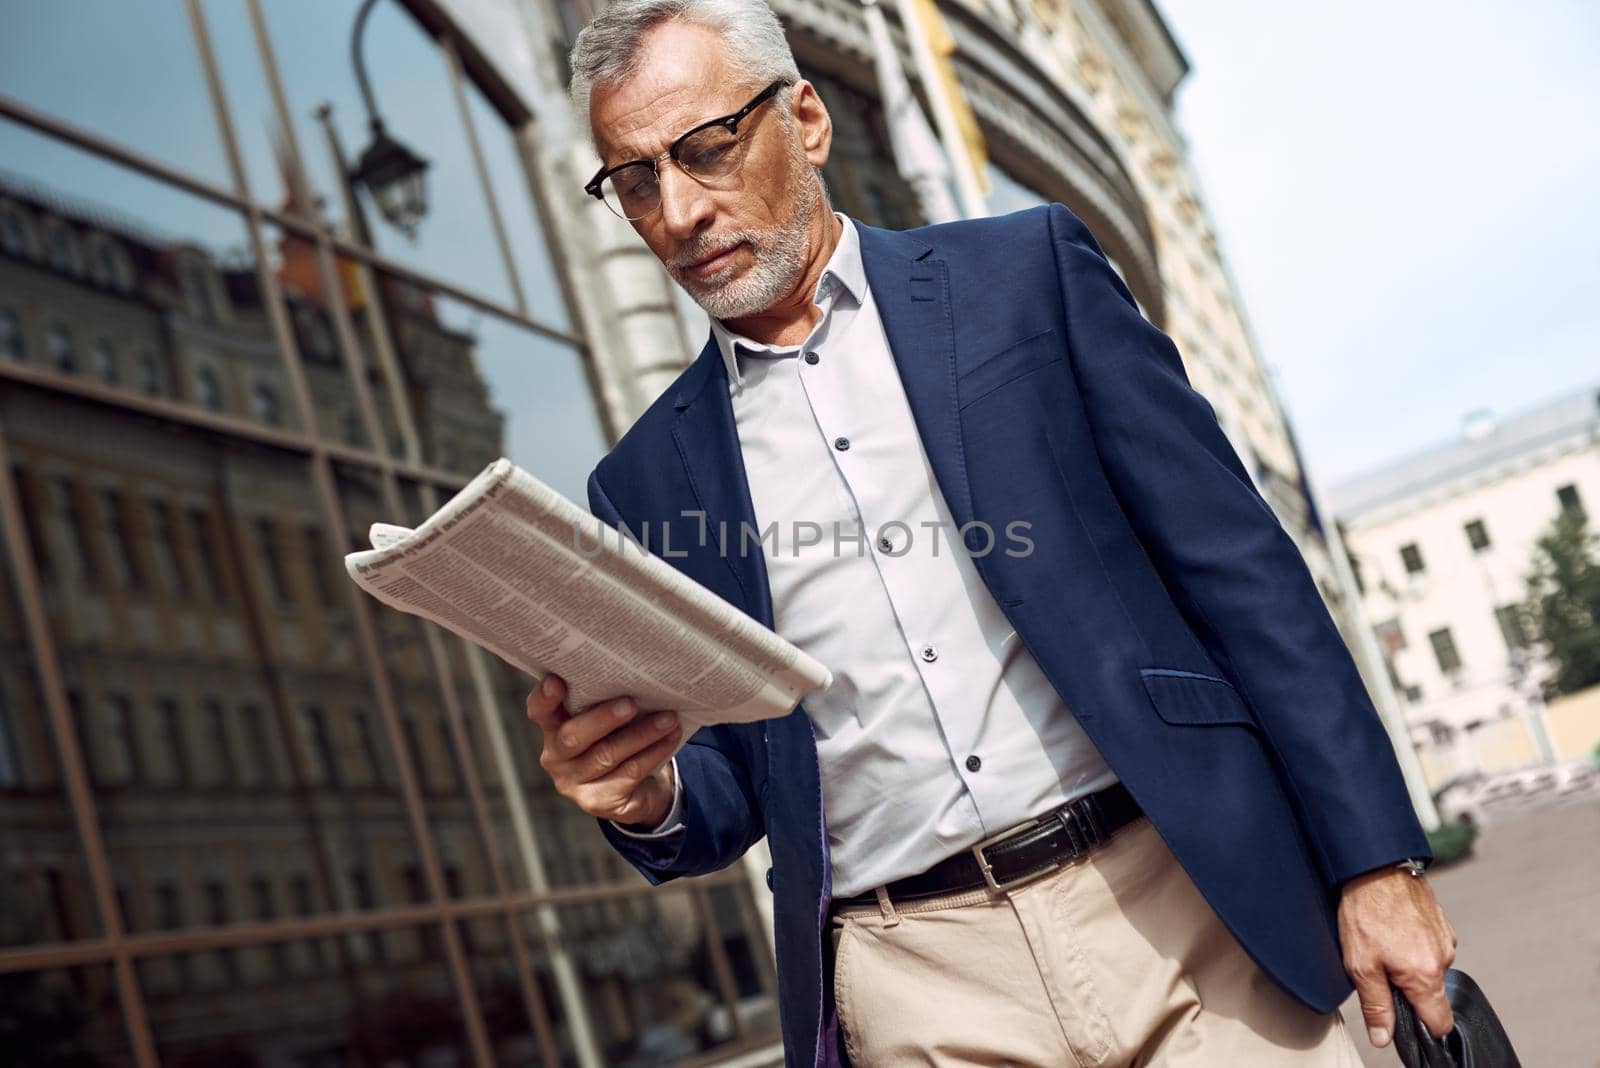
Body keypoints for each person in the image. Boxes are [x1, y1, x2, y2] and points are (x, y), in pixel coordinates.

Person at [526, 1, 1458, 1064]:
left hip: (1175, 910)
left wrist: (1376, 862)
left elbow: (1240, 574)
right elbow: (739, 778)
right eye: (636, 180)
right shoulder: (642, 483)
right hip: (919, 989)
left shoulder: (1028, 279)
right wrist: (646, 795)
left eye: (704, 150)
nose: (678, 210)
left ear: (808, 119)